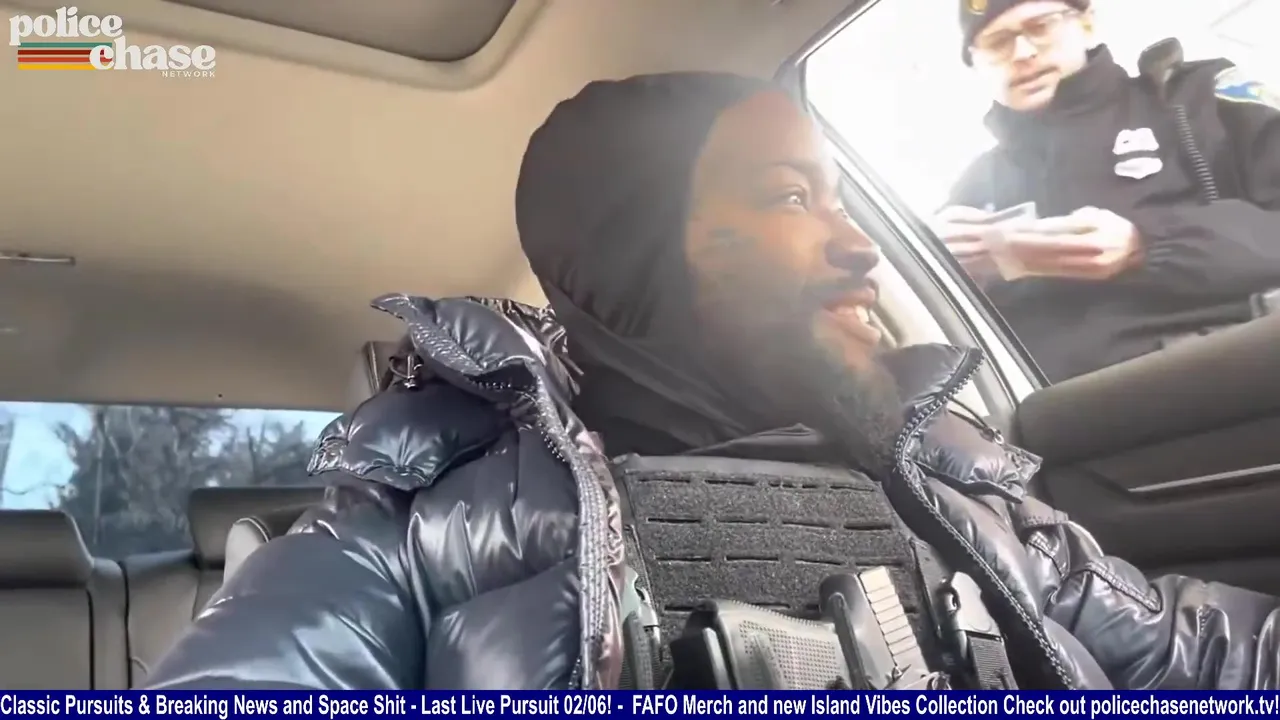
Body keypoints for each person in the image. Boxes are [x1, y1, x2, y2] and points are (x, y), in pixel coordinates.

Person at [145, 72, 1280, 691]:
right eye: (791, 197)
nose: (858, 247)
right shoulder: (412, 535)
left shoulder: (958, 487)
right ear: (636, 254)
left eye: (842, 201)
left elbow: (1210, 661)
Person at [933, 0, 1280, 382]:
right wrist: (948, 276)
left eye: (1040, 26)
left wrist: (1144, 244)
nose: (1023, 53)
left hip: (1225, 379)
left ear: (1086, 23)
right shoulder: (974, 189)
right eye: (998, 43)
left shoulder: (1197, 100)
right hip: (1047, 407)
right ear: (976, 63)